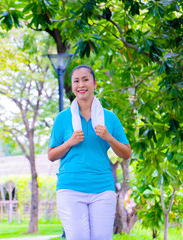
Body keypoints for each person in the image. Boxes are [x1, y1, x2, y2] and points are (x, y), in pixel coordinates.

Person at [48, 65, 131, 240]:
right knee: (78, 236)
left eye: (85, 79)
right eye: (76, 81)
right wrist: (69, 142)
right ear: (72, 86)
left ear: (94, 84)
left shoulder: (109, 118)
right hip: (70, 188)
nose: (81, 84)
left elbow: (126, 153)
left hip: (102, 188)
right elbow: (51, 155)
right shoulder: (62, 118)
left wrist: (109, 137)